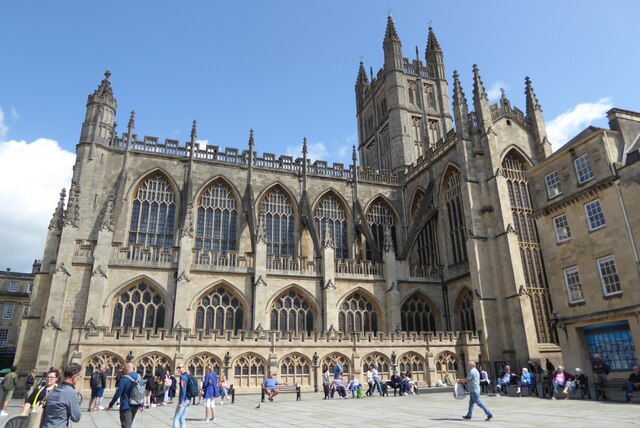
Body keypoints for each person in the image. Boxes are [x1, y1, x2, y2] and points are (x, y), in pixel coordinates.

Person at [41, 363, 82, 428]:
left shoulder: (54, 389)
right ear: (74, 376)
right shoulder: (71, 393)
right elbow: (76, 418)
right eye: (79, 376)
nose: (79, 378)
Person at [107, 362, 144, 428]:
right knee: (129, 424)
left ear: (126, 369)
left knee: (125, 425)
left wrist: (110, 405)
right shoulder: (139, 377)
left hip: (126, 406)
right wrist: (141, 405)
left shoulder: (124, 378)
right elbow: (141, 391)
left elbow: (118, 393)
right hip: (136, 404)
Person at [172, 363, 190, 428]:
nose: (178, 369)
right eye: (177, 368)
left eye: (179, 367)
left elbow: (183, 390)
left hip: (183, 400)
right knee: (182, 418)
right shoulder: (188, 376)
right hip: (188, 399)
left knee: (175, 418)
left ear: (183, 368)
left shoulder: (182, 377)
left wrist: (180, 402)